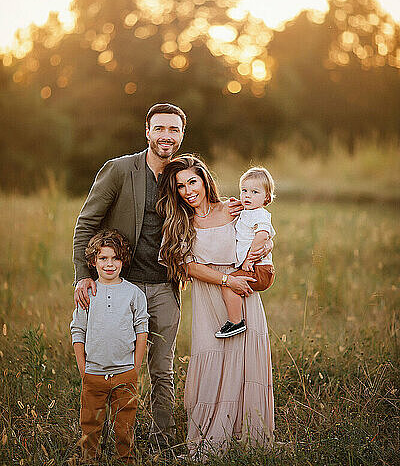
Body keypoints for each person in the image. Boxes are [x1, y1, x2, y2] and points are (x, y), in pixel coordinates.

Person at [72, 103, 186, 450]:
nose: (167, 136)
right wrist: (82, 275)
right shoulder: (120, 170)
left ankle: (164, 441)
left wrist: (235, 208)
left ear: (182, 135)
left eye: (174, 130)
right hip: (123, 288)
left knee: (162, 370)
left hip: (166, 287)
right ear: (148, 132)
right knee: (116, 367)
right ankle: (114, 441)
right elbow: (86, 224)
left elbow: (204, 207)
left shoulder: (181, 175)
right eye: (160, 129)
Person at [158, 155, 274, 461]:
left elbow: (260, 228)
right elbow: (189, 267)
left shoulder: (234, 208)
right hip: (213, 294)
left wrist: (267, 245)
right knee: (212, 360)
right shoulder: (180, 222)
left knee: (246, 361)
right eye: (180, 186)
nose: (187, 190)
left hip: (243, 292)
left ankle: (249, 439)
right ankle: (207, 442)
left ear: (204, 180)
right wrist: (226, 280)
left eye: (192, 181)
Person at [70, 229, 149, 461]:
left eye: (115, 258)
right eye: (103, 258)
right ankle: (90, 460)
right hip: (93, 374)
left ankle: (125, 460)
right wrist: (83, 370)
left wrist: (135, 368)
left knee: (125, 428)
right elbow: (78, 331)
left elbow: (141, 330)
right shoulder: (88, 292)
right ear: (93, 262)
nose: (109, 264)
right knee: (90, 427)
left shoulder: (133, 294)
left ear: (123, 260)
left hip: (125, 373)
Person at [215, 166, 276, 339]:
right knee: (230, 284)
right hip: (257, 268)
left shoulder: (260, 214)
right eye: (244, 190)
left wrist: (249, 259)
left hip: (260, 269)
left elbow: (262, 235)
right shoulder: (247, 213)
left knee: (228, 285)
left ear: (267, 198)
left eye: (255, 192)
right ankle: (236, 320)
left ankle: (236, 322)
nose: (247, 195)